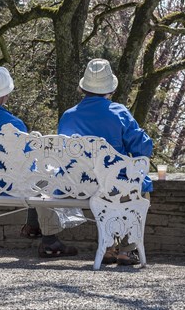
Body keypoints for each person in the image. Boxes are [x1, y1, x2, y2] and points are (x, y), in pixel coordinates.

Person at [0, 66, 78, 259]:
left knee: (35, 176)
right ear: (6, 94)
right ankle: (49, 240)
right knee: (44, 178)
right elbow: (27, 166)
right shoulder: (14, 125)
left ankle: (32, 227)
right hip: (4, 185)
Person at [58, 58, 153, 266]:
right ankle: (126, 250)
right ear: (110, 89)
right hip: (110, 186)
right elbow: (143, 149)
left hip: (75, 185)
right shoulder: (118, 113)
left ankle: (109, 248)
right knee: (135, 186)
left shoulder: (67, 117)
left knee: (112, 184)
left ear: (84, 88)